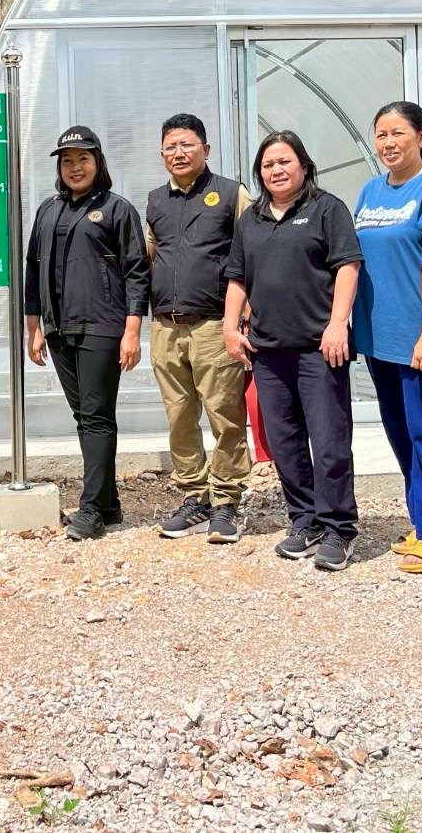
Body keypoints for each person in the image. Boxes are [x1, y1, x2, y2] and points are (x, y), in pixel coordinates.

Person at [223, 130, 363, 571]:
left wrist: (338, 323)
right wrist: (231, 326)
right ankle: (305, 520)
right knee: (285, 444)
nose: (276, 170)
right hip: (268, 351)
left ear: (303, 165)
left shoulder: (327, 209)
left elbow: (348, 266)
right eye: (268, 165)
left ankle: (339, 527)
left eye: (284, 162)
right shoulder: (252, 220)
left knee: (329, 443)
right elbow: (237, 277)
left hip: (319, 350)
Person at [24, 125, 149, 542]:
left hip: (101, 326)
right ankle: (109, 503)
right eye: (67, 161)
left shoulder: (116, 209)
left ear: (99, 162)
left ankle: (91, 509)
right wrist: (35, 327)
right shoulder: (48, 210)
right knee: (85, 418)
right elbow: (33, 269)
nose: (75, 167)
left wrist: (132, 330)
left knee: (95, 418)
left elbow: (137, 272)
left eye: (83, 159)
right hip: (59, 328)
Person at [353, 104, 422, 574]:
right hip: (379, 335)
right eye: (381, 134)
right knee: (400, 433)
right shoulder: (371, 191)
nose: (388, 142)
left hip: (418, 335)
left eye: (398, 133)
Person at [146, 113, 252, 543]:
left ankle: (226, 502)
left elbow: (253, 253)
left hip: (214, 326)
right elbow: (148, 259)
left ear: (205, 149)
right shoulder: (154, 200)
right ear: (162, 153)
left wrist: (244, 316)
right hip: (166, 327)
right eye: (170, 146)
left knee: (225, 415)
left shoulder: (230, 194)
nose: (178, 153)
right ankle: (194, 495)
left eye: (186, 145)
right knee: (179, 417)